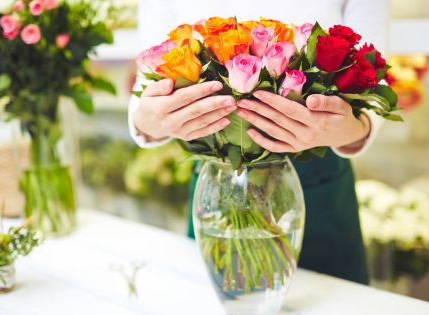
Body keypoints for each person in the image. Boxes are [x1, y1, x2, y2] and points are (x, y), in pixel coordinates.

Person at [129, 0, 389, 285]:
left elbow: (373, 72)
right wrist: (149, 119)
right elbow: (147, 84)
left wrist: (353, 127)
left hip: (317, 182)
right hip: (218, 176)